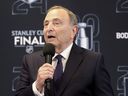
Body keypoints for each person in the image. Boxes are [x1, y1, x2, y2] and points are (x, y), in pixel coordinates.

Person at [15, 5, 114, 96]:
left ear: (73, 31)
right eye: (46, 24)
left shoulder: (93, 61)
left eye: (56, 23)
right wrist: (37, 86)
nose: (49, 28)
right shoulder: (30, 60)